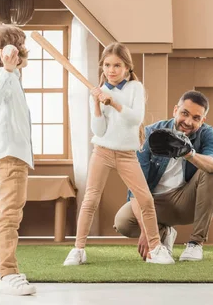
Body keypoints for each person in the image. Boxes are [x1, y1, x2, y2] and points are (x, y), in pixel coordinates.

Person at [63, 43, 174, 266]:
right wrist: (96, 104)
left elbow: (135, 119)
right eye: (107, 65)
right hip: (102, 151)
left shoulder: (135, 88)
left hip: (126, 154)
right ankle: (78, 249)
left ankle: (155, 248)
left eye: (117, 65)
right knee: (90, 199)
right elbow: (98, 131)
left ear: (126, 67)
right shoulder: (98, 91)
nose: (111, 70)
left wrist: (112, 102)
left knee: (145, 199)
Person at [114, 90, 213, 262]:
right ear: (175, 111)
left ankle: (196, 244)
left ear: (202, 120)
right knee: (123, 222)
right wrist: (148, 234)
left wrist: (189, 154)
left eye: (196, 118)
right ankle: (165, 233)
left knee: (210, 172)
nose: (188, 122)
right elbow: (136, 189)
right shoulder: (150, 134)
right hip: (154, 204)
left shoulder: (206, 133)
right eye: (184, 113)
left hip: (186, 202)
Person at [0, 25, 36, 296]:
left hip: (2, 154)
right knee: (10, 215)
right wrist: (9, 67)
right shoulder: (4, 75)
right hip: (10, 155)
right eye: (22, 46)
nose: (25, 51)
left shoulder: (4, 76)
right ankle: (8, 272)